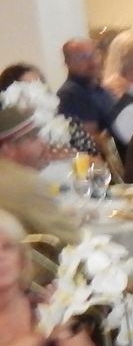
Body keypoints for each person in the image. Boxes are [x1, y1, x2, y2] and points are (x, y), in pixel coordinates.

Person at [0, 211, 107, 346]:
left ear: (22, 258)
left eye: (8, 247)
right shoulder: (47, 320)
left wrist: (63, 322)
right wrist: (41, 333)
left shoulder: (48, 305)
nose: (1, 257)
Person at [0, 104, 81, 246]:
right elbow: (72, 241)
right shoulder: (26, 184)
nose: (43, 143)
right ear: (8, 149)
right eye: (33, 139)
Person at [57, 38, 116, 140]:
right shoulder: (71, 95)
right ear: (68, 63)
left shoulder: (100, 89)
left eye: (94, 55)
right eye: (82, 57)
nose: (92, 62)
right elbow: (89, 139)